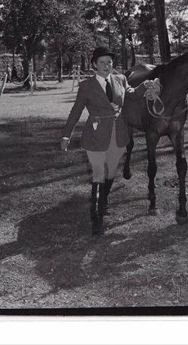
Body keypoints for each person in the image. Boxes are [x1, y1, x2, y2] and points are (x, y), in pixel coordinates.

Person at [60, 46, 154, 236]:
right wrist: (66, 135)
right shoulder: (87, 86)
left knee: (110, 172)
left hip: (118, 135)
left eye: (109, 62)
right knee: (98, 172)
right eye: (102, 62)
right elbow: (76, 111)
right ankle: (96, 217)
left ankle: (102, 201)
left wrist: (146, 86)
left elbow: (132, 94)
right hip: (95, 134)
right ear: (94, 65)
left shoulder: (120, 79)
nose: (106, 65)